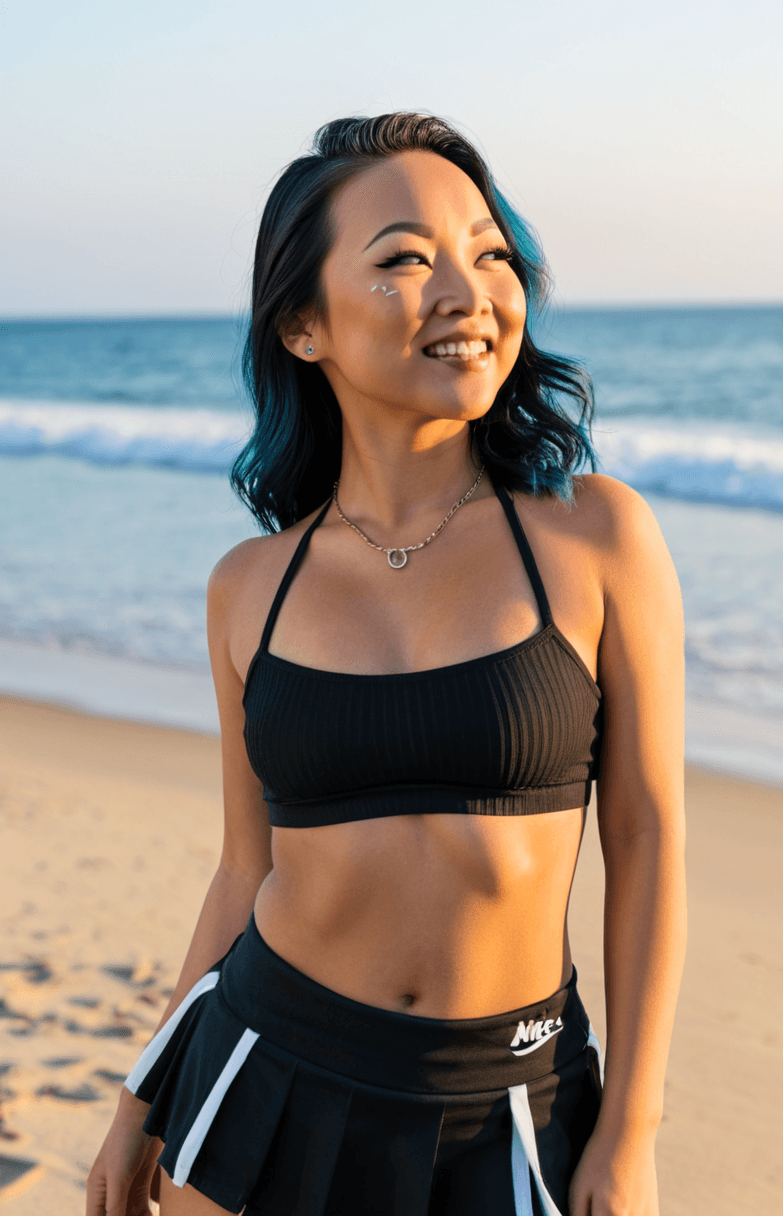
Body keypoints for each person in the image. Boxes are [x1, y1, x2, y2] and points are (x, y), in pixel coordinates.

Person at [87, 112, 686, 1216]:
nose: (467, 290)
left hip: (512, 1102)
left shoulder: (594, 536)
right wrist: (140, 1101)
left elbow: (645, 832)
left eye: (490, 252)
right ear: (303, 324)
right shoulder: (248, 588)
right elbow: (243, 867)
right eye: (406, 258)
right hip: (263, 1077)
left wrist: (629, 1129)